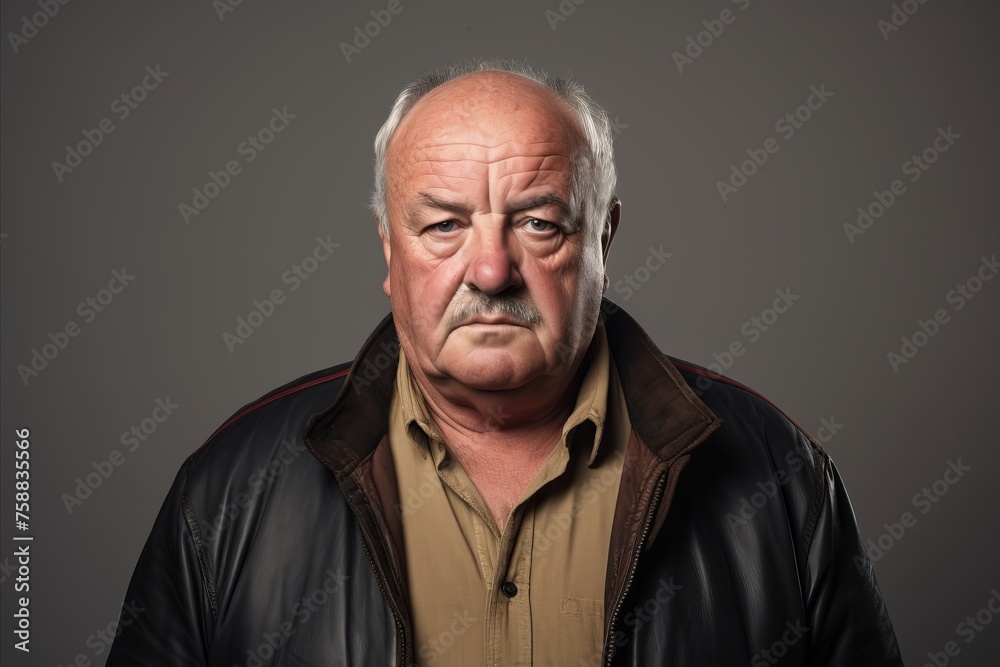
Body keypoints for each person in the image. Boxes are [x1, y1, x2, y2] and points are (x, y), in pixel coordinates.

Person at [107, 59, 903, 666]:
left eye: (538, 223)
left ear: (605, 240)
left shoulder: (780, 479)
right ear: (389, 251)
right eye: (445, 225)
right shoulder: (226, 495)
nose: (491, 271)